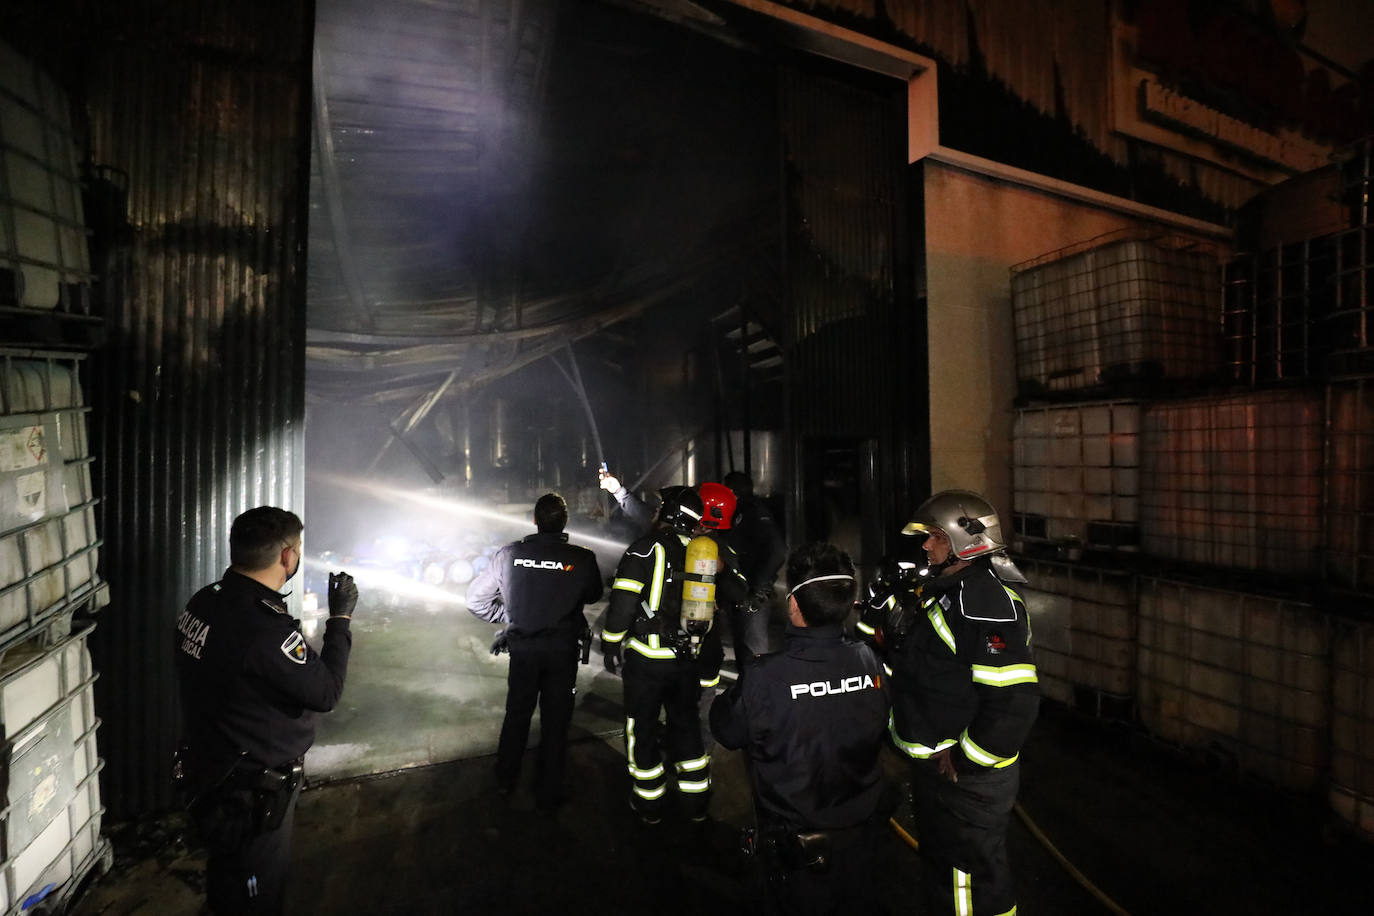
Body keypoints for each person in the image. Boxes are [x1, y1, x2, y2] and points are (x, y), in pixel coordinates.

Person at [174, 506, 357, 915]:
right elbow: (326, 692)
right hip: (251, 789)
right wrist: (340, 619)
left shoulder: (204, 601)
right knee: (255, 890)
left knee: (228, 875)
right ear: (288, 556)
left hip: (210, 768)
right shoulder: (266, 629)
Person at [709, 542, 889, 915]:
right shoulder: (869, 660)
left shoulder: (766, 676)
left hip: (796, 851)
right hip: (864, 839)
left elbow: (727, 731)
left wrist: (733, 693)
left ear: (793, 604)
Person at [882, 490, 1039, 916]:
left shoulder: (983, 601)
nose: (926, 545)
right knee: (951, 873)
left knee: (968, 881)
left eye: (934, 537)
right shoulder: (951, 589)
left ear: (964, 540)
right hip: (942, 772)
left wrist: (967, 761)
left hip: (965, 779)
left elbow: (1013, 704)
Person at [600, 486, 745, 823]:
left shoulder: (644, 549)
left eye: (660, 506)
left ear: (669, 512)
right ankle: (696, 804)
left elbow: (623, 603)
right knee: (686, 726)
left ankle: (649, 804)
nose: (655, 511)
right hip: (688, 661)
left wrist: (611, 644)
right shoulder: (703, 552)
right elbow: (737, 590)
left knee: (642, 729)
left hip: (647, 663)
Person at [464, 493, 603, 812]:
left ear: (535, 521)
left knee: (517, 715)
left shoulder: (510, 554)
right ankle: (549, 791)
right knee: (556, 722)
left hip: (524, 652)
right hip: (562, 654)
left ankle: (504, 780)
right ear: (565, 522)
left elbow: (475, 600)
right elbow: (594, 595)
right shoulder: (582, 558)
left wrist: (511, 618)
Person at [720, 472, 786, 659]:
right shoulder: (738, 512)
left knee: (754, 649)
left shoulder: (754, 512)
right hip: (739, 590)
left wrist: (758, 586)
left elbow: (779, 550)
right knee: (743, 647)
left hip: (752, 593)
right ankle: (746, 687)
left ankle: (758, 687)